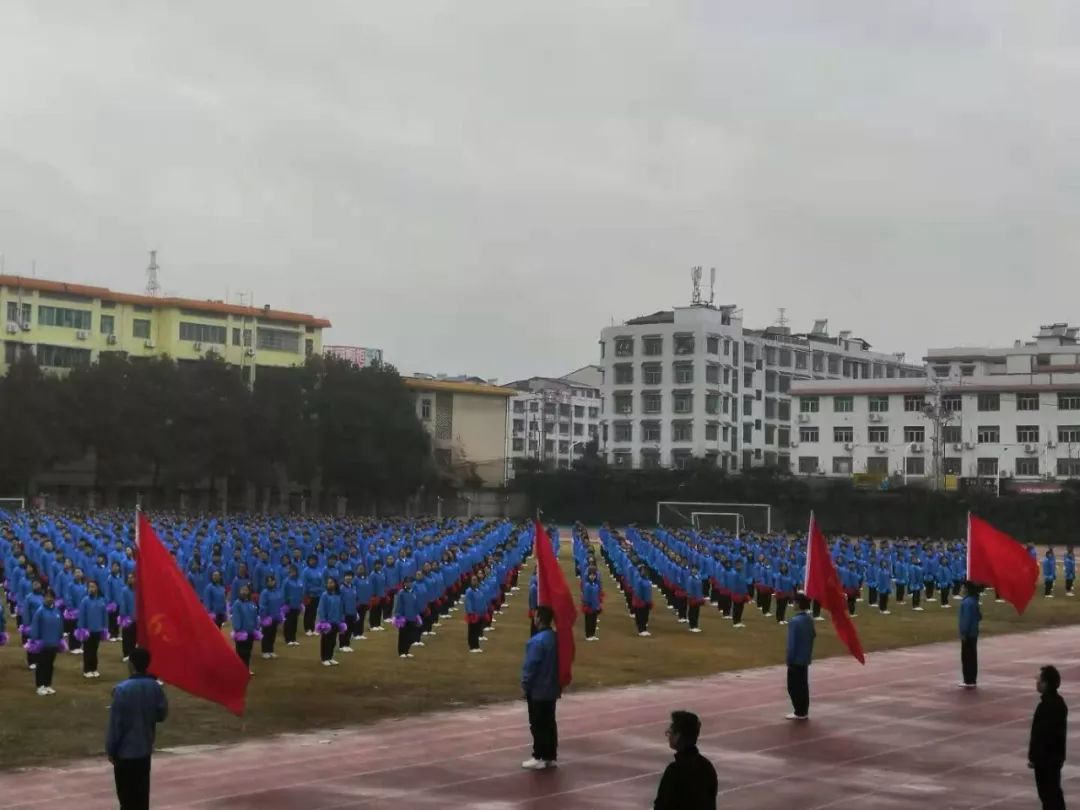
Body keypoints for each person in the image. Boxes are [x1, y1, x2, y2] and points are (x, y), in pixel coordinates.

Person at [106, 647, 169, 810]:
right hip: (144, 749)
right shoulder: (155, 687)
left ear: (132, 665)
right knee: (142, 796)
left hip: (125, 753)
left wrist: (111, 749)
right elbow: (161, 714)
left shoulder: (121, 690)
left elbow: (116, 724)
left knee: (126, 799)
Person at [521, 605, 560, 770]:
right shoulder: (556, 638)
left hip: (538, 689)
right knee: (550, 723)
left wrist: (525, 684)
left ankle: (539, 755)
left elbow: (531, 666)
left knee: (538, 724)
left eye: (535, 616)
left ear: (539, 618)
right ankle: (550, 756)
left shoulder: (536, 641)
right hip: (552, 687)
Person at [653, 710, 718, 810]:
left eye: (670, 732)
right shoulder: (707, 767)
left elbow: (661, 806)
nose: (668, 736)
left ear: (678, 736)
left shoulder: (674, 771)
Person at [1029, 665, 1068, 810]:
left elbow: (1040, 736)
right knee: (1052, 793)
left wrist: (1034, 757)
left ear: (1045, 683)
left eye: (1039, 679)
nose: (1037, 682)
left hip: (1046, 759)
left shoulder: (1046, 707)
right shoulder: (1059, 703)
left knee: (1048, 795)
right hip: (1054, 757)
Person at [785, 594, 815, 720]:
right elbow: (813, 636)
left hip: (796, 659)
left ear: (798, 604)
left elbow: (792, 643)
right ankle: (803, 710)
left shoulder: (794, 622)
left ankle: (799, 711)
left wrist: (789, 658)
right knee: (803, 685)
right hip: (805, 657)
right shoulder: (809, 619)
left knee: (793, 686)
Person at [958, 582, 981, 689]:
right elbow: (979, 616)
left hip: (968, 634)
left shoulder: (966, 602)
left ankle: (968, 679)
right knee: (972, 656)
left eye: (963, 587)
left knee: (967, 657)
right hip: (974, 633)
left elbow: (965, 619)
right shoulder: (974, 600)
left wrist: (963, 632)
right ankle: (972, 678)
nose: (961, 589)